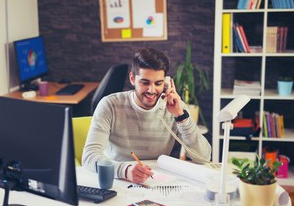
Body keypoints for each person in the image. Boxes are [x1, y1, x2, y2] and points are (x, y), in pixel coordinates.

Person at [82, 47, 211, 185]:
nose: (151, 90)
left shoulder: (174, 107)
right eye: (145, 82)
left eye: (158, 83)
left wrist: (181, 116)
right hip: (118, 179)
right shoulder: (110, 105)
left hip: (155, 182)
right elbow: (89, 157)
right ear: (132, 78)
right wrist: (124, 170)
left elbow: (203, 158)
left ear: (166, 82)